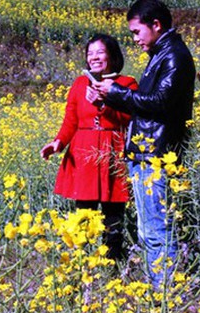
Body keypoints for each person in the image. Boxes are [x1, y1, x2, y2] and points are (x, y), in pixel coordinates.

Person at [91, 0, 196, 289]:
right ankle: (159, 291)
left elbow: (160, 103)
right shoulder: (161, 55)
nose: (135, 39)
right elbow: (146, 107)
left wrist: (116, 92)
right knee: (148, 229)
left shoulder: (174, 55)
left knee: (157, 229)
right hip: (147, 153)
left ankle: (167, 297)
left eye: (137, 32)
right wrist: (109, 96)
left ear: (156, 25)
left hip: (157, 155)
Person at [41, 34, 138, 265]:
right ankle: (81, 264)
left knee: (113, 213)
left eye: (100, 52)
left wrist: (103, 106)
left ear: (112, 56)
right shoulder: (79, 84)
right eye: (90, 53)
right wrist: (58, 143)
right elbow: (70, 121)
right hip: (83, 152)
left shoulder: (127, 84)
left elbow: (129, 118)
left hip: (112, 151)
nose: (94, 57)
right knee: (83, 212)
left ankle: (112, 264)